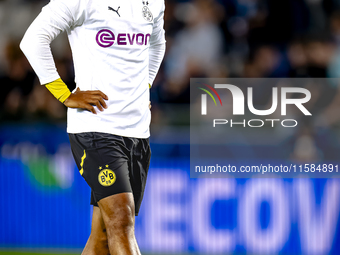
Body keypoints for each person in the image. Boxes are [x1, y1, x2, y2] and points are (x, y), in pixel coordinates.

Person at [20, 0, 166, 254]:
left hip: (137, 131)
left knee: (102, 236)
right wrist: (64, 95)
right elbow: (33, 39)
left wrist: (146, 87)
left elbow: (157, 43)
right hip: (96, 127)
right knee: (121, 220)